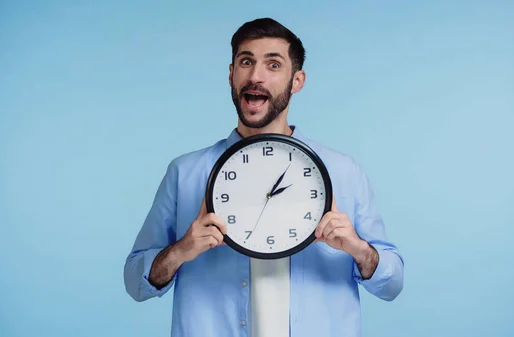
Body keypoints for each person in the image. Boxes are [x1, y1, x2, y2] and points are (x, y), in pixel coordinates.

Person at [123, 17, 404, 337]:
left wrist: (358, 249)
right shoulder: (185, 173)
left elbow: (392, 284)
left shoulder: (344, 172)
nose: (255, 76)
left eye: (273, 65)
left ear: (297, 81)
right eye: (246, 62)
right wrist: (181, 250)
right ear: (231, 74)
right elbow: (135, 282)